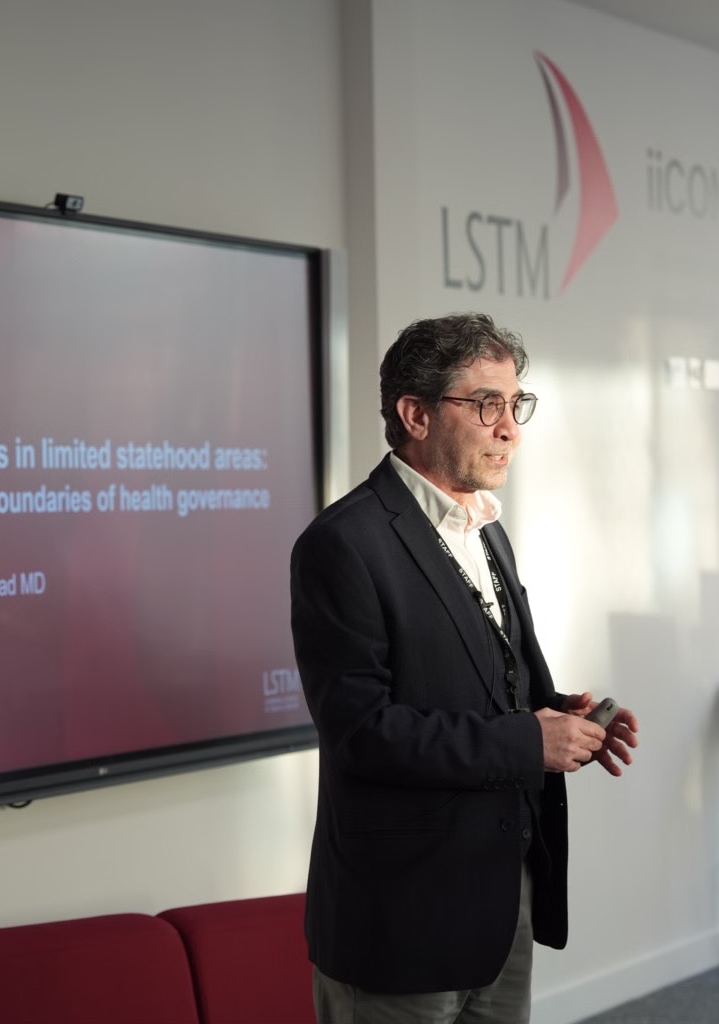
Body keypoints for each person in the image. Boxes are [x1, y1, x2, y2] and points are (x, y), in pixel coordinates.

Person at [291, 312, 639, 1024]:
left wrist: (564, 714)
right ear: (415, 414)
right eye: (487, 404)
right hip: (400, 917)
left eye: (516, 404)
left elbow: (490, 680)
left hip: (500, 902)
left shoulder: (486, 527)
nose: (510, 427)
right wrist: (525, 742)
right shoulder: (342, 545)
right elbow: (361, 731)